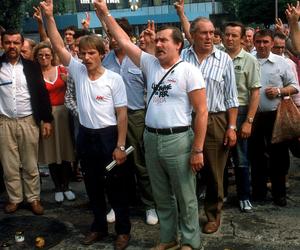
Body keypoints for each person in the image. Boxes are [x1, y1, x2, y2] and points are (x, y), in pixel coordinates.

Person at [93, 1, 208, 249]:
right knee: (161, 195)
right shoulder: (149, 63)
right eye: (156, 40)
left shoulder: (189, 70)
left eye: (164, 40)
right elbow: (123, 41)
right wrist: (105, 13)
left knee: (186, 196)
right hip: (151, 139)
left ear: (178, 44)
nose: (158, 44)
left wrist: (198, 149)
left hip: (179, 140)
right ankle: (168, 239)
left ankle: (190, 241)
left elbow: (201, 111)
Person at [41, 1, 131, 249]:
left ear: (102, 54)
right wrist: (49, 16)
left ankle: (123, 231)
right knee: (92, 186)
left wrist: (121, 145)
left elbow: (122, 114)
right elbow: (57, 43)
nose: (87, 57)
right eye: (84, 53)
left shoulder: (114, 79)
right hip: (86, 136)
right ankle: (99, 227)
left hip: (109, 136)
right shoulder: (78, 71)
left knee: (116, 187)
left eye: (92, 52)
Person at [175, 0, 239, 234]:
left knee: (213, 171)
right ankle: (188, 214)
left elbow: (232, 98)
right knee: (184, 169)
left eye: (212, 33)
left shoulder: (224, 60)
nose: (209, 37)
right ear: (192, 35)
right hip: (184, 119)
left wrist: (232, 126)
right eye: (204, 33)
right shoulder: (182, 57)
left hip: (215, 120)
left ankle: (213, 214)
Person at [0, 30, 52, 215]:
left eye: (15, 42)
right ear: (2, 44)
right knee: (9, 164)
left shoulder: (32, 67)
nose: (12, 46)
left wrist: (46, 119)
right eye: (8, 42)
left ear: (21, 44)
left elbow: (42, 93)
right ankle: (14, 199)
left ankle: (33, 198)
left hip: (29, 120)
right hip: (4, 122)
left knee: (30, 163)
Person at [248, 29, 299, 207]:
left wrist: (279, 91)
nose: (262, 45)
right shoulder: (248, 60)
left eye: (265, 42)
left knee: (278, 156)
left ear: (271, 43)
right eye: (259, 42)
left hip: (274, 116)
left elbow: (294, 87)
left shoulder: (282, 63)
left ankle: (279, 194)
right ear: (254, 42)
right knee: (255, 156)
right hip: (252, 117)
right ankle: (259, 192)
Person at [223, 21, 261, 212]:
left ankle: (244, 195)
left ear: (242, 38)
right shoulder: (217, 57)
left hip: (241, 112)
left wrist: (249, 121)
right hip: (219, 113)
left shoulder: (249, 60)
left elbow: (255, 92)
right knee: (218, 157)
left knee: (241, 158)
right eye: (227, 34)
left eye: (234, 35)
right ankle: (219, 194)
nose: (230, 38)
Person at [34, 41, 75, 203]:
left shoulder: (62, 70)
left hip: (64, 114)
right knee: (51, 152)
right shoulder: (34, 74)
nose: (44, 57)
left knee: (65, 151)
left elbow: (73, 90)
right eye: (40, 55)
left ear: (52, 56)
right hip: (47, 116)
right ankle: (57, 186)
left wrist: (67, 80)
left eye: (47, 55)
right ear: (36, 57)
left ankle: (66, 186)